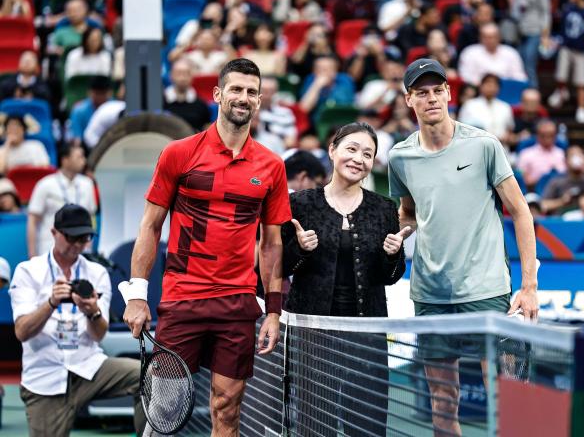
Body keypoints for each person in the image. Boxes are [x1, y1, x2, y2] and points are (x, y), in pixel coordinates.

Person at [119, 58, 291, 436]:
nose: (243, 98)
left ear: (259, 100)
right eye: (235, 89)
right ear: (217, 94)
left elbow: (272, 243)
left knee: (227, 408)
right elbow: (150, 226)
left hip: (237, 304)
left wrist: (274, 311)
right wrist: (136, 294)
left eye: (251, 92)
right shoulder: (178, 153)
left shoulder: (272, 166)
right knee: (164, 411)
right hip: (182, 300)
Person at [388, 58, 538, 435]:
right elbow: (407, 213)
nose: (432, 98)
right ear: (409, 100)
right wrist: (403, 232)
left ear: (449, 94)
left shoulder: (484, 145)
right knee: (442, 402)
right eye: (422, 93)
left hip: (486, 290)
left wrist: (530, 284)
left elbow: (521, 213)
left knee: (507, 399)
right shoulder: (400, 157)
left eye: (438, 91)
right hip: (431, 295)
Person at [282, 122, 407, 436]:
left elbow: (390, 277)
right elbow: (280, 267)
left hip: (367, 334)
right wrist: (299, 249)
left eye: (367, 154)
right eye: (351, 149)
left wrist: (392, 256)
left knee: (367, 424)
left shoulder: (384, 209)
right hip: (313, 335)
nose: (358, 159)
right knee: (313, 425)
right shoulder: (300, 204)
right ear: (332, 150)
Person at [9, 204, 145, 437]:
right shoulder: (28, 271)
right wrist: (51, 303)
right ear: (54, 233)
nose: (78, 245)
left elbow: (98, 334)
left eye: (85, 238)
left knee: (149, 376)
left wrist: (92, 312)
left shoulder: (97, 272)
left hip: (88, 366)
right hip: (45, 374)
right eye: (72, 238)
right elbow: (22, 332)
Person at [27, 144, 96, 258]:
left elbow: (91, 217)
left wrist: (88, 245)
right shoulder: (45, 184)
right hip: (49, 248)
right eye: (79, 157)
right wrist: (32, 254)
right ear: (65, 160)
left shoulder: (87, 184)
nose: (83, 161)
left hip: (80, 250)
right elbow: (32, 220)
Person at [546, 0, 584, 124]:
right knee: (561, 74)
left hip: (581, 50)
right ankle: (560, 91)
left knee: (582, 81)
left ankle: (581, 108)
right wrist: (556, 40)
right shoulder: (567, 8)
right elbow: (561, 27)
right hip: (566, 47)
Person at [458, 23, 527, 86]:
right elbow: (465, 75)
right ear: (480, 38)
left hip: (505, 90)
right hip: (477, 90)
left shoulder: (511, 53)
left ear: (499, 37)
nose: (490, 40)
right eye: (485, 37)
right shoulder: (470, 52)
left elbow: (519, 77)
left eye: (493, 37)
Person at [163, 58, 212, 132]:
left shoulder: (201, 104)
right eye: (178, 73)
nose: (182, 78)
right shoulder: (161, 101)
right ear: (171, 76)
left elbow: (206, 128)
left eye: (186, 74)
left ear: (192, 77)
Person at [517, 119, 567, 190]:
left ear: (555, 135)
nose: (547, 138)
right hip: (534, 191)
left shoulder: (561, 153)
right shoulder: (526, 154)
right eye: (544, 135)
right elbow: (520, 179)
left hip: (560, 191)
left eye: (551, 135)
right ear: (538, 135)